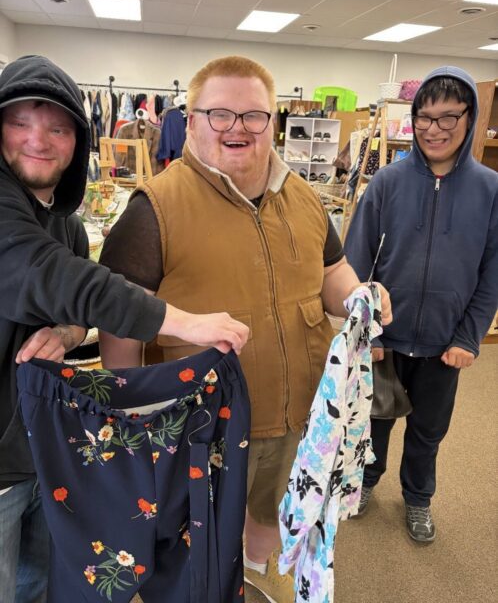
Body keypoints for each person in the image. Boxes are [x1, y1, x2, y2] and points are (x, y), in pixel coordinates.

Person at [98, 54, 392, 602]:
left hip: (298, 411)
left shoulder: (302, 197)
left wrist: (358, 296)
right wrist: (133, 417)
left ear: (271, 123)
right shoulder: (154, 208)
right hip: (203, 425)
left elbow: (331, 271)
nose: (238, 128)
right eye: (220, 114)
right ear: (191, 120)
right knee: (197, 543)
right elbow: (120, 322)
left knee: (272, 511)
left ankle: (258, 576)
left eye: (253, 115)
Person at [0, 54, 249, 603]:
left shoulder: (64, 220)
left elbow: (70, 306)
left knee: (45, 581)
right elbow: (50, 275)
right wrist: (184, 322)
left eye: (57, 126)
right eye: (19, 121)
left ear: (77, 138)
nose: (38, 140)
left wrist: (67, 334)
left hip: (43, 443)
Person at [345, 66, 498, 543]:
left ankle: (417, 499)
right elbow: (354, 263)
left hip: (445, 344)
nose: (434, 129)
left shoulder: (490, 190)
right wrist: (366, 332)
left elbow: (491, 274)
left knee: (428, 432)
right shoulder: (388, 182)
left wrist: (468, 337)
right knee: (375, 422)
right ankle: (366, 483)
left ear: (470, 118)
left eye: (448, 117)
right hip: (385, 342)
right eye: (424, 118)